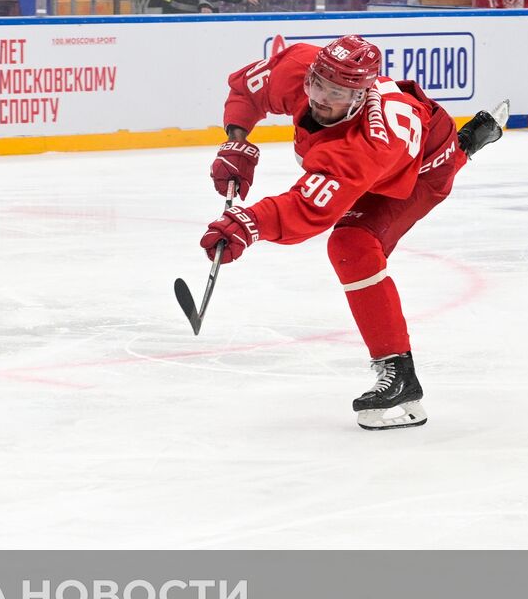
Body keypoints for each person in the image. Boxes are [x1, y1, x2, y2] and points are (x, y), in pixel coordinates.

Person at [198, 35, 505, 429]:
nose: (320, 98)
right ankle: (472, 138)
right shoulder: (304, 69)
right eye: (317, 84)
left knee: (353, 243)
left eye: (337, 92)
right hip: (403, 141)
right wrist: (235, 140)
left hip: (422, 171)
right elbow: (248, 89)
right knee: (351, 232)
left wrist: (246, 223)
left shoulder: (369, 144)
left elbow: (309, 207)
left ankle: (400, 374)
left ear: (361, 98)